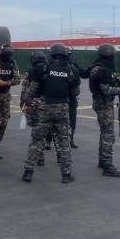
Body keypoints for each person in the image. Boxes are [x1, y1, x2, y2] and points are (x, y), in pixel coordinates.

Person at [22, 43, 80, 184]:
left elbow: (32, 91)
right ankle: (66, 175)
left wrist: (29, 104)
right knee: (64, 141)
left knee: (37, 141)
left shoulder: (43, 68)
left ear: (51, 54)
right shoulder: (71, 69)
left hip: (44, 107)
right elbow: (75, 92)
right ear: (65, 54)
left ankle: (28, 172)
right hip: (62, 108)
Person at [89, 44, 120, 178]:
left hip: (102, 103)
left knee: (105, 133)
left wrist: (117, 83)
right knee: (108, 135)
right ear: (109, 55)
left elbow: (109, 82)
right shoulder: (101, 69)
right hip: (103, 103)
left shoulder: (102, 67)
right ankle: (107, 166)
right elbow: (106, 90)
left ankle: (103, 161)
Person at [21, 50, 47, 166]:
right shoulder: (49, 69)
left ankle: (38, 157)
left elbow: (26, 88)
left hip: (34, 103)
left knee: (36, 133)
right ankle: (43, 157)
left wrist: (24, 103)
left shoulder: (32, 72)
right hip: (47, 104)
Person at [66, 47, 89, 149]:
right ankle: (49, 141)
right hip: (61, 97)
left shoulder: (73, 66)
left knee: (72, 120)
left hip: (71, 97)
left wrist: (92, 68)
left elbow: (84, 73)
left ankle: (70, 140)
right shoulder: (53, 66)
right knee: (55, 119)